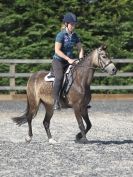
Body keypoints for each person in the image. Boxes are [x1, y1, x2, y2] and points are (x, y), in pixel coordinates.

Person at [52, 12, 84, 110]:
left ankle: (81, 100)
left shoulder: (75, 36)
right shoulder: (60, 35)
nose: (73, 26)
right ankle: (56, 101)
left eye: (74, 24)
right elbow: (57, 50)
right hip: (59, 61)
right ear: (66, 24)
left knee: (79, 76)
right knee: (59, 77)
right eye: (72, 24)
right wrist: (68, 59)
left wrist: (81, 59)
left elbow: (80, 49)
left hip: (70, 61)